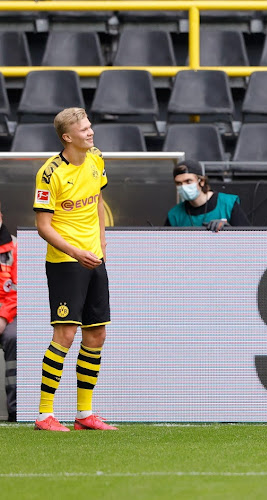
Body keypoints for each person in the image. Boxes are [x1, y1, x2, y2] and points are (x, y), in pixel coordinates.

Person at [32, 108, 117, 431]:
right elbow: (43, 226)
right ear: (67, 137)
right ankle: (44, 414)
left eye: (90, 126)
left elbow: (96, 200)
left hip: (94, 258)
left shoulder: (96, 158)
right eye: (83, 129)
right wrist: (74, 251)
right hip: (66, 261)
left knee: (96, 334)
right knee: (65, 334)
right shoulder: (50, 173)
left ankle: (84, 414)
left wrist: (102, 243)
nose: (90, 132)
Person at [165, 159, 249, 231]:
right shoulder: (174, 215)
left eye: (188, 181)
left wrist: (229, 230)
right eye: (179, 183)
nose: (183, 186)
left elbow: (249, 240)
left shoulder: (228, 204)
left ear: (201, 181)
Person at [0, 200, 17, 422]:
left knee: (16, 337)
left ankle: (15, 409)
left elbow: (16, 290)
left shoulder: (14, 247)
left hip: (8, 314)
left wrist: (3, 317)